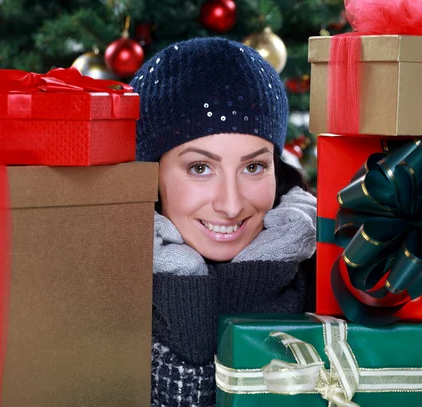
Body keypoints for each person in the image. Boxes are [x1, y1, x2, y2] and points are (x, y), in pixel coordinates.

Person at [131, 37, 317, 407]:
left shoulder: (328, 266)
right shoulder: (98, 279)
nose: (231, 205)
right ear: (150, 176)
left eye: (253, 166)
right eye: (200, 168)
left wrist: (255, 282)